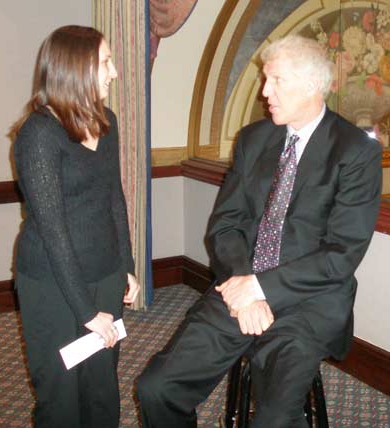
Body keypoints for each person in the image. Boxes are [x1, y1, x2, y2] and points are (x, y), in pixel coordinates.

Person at [137, 35, 382, 427]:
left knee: (274, 418)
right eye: (265, 80)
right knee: (156, 387)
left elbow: (341, 253)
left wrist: (260, 288)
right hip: (239, 289)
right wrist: (243, 289)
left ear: (311, 85)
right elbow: (226, 224)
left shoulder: (354, 151)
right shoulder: (254, 140)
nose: (264, 92)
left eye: (276, 80)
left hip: (308, 304)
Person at [11, 25, 140, 428]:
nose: (114, 72)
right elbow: (53, 231)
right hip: (51, 285)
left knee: (102, 391)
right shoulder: (39, 134)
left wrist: (127, 266)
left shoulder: (108, 121)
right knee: (61, 400)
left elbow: (114, 199)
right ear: (75, 68)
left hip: (103, 273)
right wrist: (87, 311)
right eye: (105, 62)